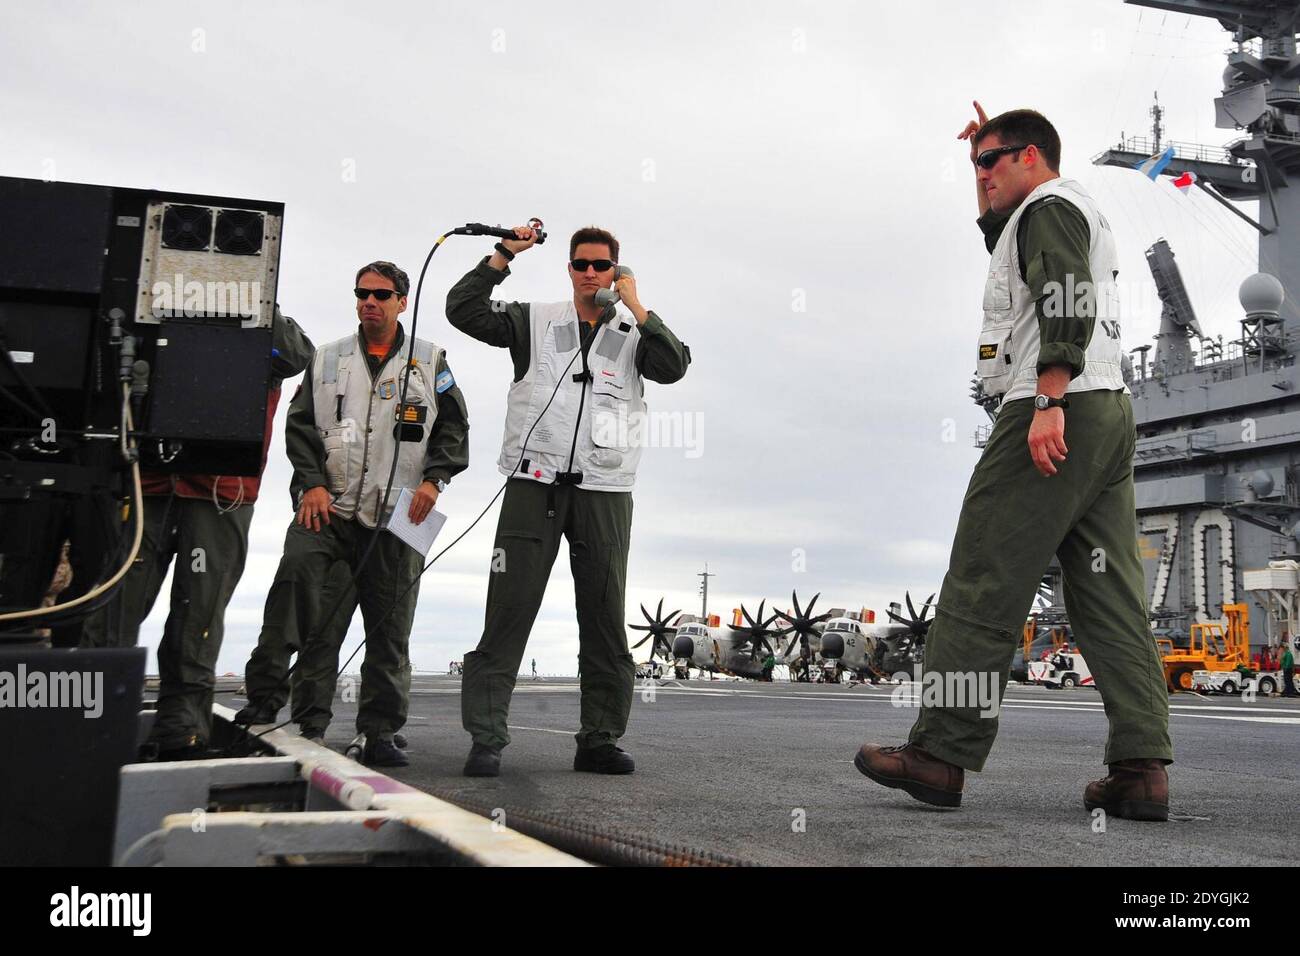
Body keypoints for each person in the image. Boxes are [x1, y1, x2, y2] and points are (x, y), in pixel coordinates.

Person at [855, 105, 1173, 820]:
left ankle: (940, 752)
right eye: (975, 164)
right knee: (1111, 596)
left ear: (1032, 157)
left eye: (990, 161)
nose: (981, 173)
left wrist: (1049, 395)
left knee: (982, 573)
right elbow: (1009, 244)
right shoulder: (1064, 210)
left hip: (1059, 402)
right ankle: (1141, 768)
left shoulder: (1051, 208)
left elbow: (1066, 291)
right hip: (1111, 412)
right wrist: (979, 159)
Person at [447, 224, 691, 777]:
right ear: (569, 268)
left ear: (616, 272)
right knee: (508, 609)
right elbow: (461, 309)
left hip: (604, 490)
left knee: (604, 616)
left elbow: (674, 367)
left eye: (601, 265)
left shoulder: (635, 331)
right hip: (534, 484)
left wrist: (638, 307)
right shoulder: (533, 319)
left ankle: (598, 740)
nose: (589, 273)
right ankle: (486, 738)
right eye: (580, 263)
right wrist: (505, 252)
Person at [235, 261, 469, 767]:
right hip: (331, 506)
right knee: (301, 595)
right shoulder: (325, 358)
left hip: (403, 510)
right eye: (362, 293)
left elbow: (454, 428)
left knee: (391, 625)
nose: (370, 302)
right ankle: (281, 709)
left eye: (381, 295)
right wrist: (311, 485)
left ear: (402, 301)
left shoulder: (431, 360)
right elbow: (299, 427)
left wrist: (435, 480)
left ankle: (381, 728)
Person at [82, 307, 313, 760]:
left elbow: (295, 356)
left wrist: (256, 293)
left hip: (220, 490)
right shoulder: (151, 297)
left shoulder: (264, 318)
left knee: (198, 617)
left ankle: (181, 732)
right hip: (144, 480)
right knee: (115, 605)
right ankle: (95, 729)